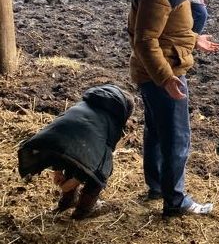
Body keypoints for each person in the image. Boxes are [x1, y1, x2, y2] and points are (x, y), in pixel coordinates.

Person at [128, 0, 219, 217]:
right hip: (163, 73)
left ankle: (158, 186)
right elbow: (145, 40)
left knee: (157, 131)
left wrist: (194, 39)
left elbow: (166, 32)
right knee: (177, 137)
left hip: (159, 71)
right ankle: (176, 200)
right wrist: (167, 78)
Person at [17, 85, 134, 219]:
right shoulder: (113, 122)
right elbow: (97, 158)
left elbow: (61, 142)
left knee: (73, 155)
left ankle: (67, 201)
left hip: (55, 140)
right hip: (79, 145)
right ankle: (83, 210)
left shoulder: (83, 104)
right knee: (101, 171)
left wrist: (59, 169)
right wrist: (75, 180)